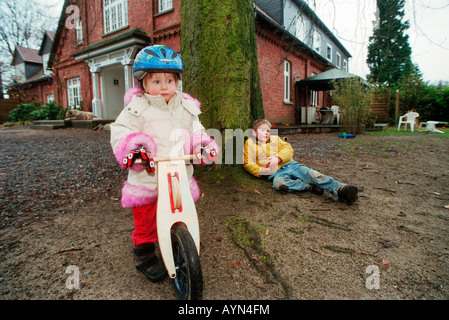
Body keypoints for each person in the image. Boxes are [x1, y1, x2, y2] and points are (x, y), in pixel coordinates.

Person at [110, 45, 219, 282]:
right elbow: (120, 132)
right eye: (156, 81)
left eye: (169, 80)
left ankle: (178, 239)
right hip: (148, 178)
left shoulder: (186, 106)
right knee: (146, 218)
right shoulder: (136, 108)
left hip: (178, 175)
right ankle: (145, 253)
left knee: (180, 210)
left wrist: (201, 145)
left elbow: (196, 130)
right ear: (143, 83)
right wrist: (135, 150)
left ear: (177, 81)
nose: (164, 87)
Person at [243, 119, 358, 204]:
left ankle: (340, 188)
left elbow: (288, 149)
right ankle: (308, 187)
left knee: (313, 175)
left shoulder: (276, 139)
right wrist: (261, 171)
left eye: (268, 130)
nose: (266, 133)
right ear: (254, 133)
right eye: (263, 130)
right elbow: (248, 162)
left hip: (290, 165)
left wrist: (278, 158)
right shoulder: (250, 143)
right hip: (275, 173)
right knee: (279, 184)